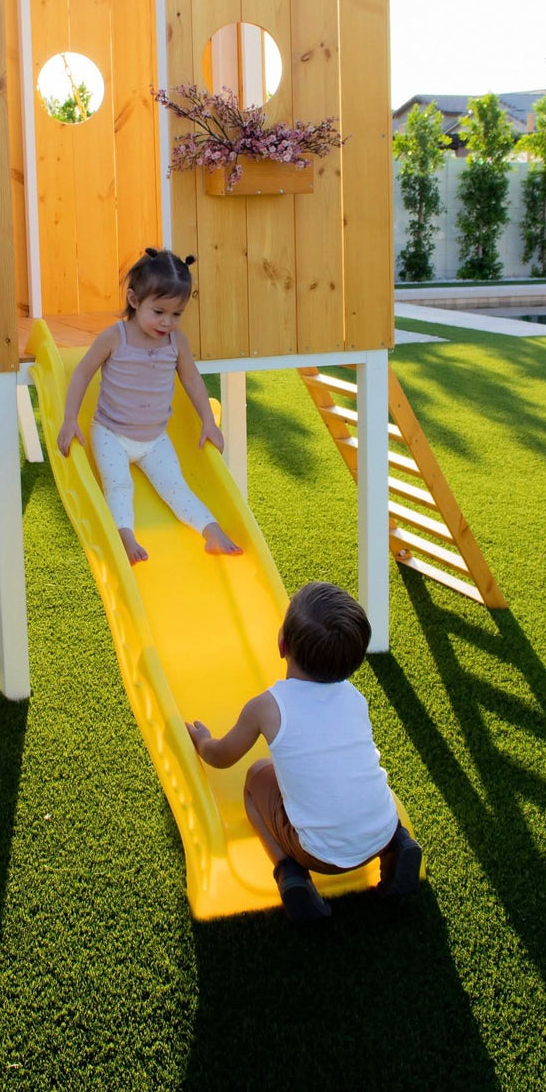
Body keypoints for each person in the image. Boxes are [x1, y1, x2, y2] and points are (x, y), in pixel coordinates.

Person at [186, 580, 422, 923]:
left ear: (281, 644)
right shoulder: (355, 698)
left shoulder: (268, 707)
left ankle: (289, 872)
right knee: (355, 778)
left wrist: (203, 740)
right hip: (382, 830)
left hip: (319, 854)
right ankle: (399, 846)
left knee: (255, 778)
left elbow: (222, 757)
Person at [56, 246, 243, 565]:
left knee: (176, 487)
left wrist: (208, 421)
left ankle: (211, 532)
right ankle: (125, 535)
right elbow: (83, 371)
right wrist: (70, 418)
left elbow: (193, 381)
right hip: (110, 434)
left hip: (155, 439)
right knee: (118, 485)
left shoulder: (176, 342)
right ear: (133, 301)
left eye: (176, 314)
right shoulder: (115, 338)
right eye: (159, 312)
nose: (167, 322)